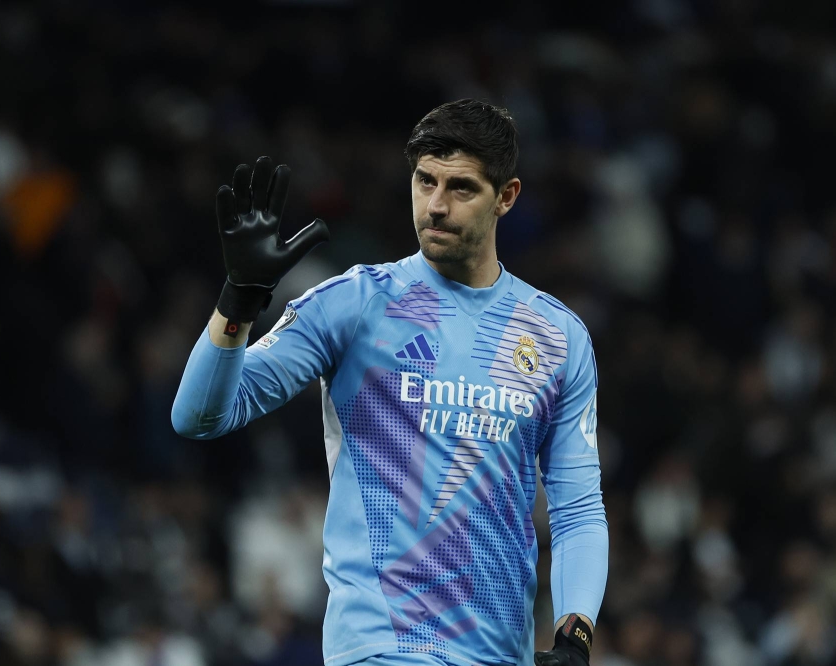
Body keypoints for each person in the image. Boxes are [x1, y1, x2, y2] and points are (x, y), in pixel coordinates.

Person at [172, 99, 608, 666]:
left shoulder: (556, 336)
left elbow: (578, 510)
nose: (436, 205)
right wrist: (239, 299)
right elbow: (199, 416)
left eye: (461, 187)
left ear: (507, 196)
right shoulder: (354, 304)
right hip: (382, 646)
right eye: (425, 181)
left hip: (501, 653)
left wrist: (575, 637)